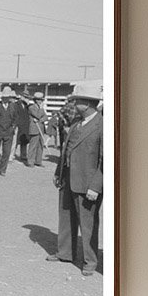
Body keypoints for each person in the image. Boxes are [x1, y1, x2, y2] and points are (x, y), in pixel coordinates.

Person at [46, 82, 104, 276]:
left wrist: (96, 186)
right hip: (68, 179)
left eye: (76, 101)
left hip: (88, 184)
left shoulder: (102, 125)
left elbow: (105, 161)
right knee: (66, 218)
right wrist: (58, 173)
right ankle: (65, 253)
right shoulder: (75, 124)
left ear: (87, 103)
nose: (73, 104)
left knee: (88, 224)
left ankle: (90, 261)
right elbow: (66, 151)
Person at [0, 85, 21, 176]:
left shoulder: (13, 106)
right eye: (4, 97)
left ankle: (3, 169)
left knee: (6, 152)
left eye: (8, 97)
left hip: (8, 132)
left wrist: (13, 127)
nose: (6, 99)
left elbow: (16, 118)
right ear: (2, 97)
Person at [25, 91, 48, 167]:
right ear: (35, 100)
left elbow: (46, 117)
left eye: (41, 100)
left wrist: (40, 120)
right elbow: (37, 115)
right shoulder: (32, 107)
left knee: (40, 146)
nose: (40, 101)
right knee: (33, 146)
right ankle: (30, 161)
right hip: (34, 129)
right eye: (38, 99)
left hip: (41, 128)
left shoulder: (41, 108)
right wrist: (40, 115)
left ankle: (38, 161)